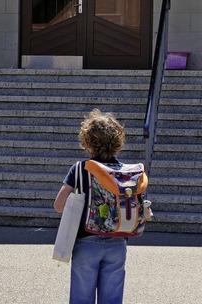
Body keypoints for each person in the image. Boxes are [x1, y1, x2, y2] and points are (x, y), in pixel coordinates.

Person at [53, 109, 129, 303]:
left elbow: (59, 205)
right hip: (117, 242)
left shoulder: (79, 169)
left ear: (87, 140)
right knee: (112, 298)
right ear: (117, 141)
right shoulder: (125, 174)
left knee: (81, 298)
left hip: (86, 243)